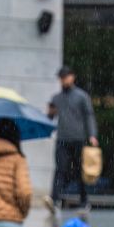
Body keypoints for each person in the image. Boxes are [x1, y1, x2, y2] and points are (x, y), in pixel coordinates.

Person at [45, 66, 98, 211]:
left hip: (78, 139)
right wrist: (50, 112)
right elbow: (50, 118)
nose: (64, 80)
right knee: (60, 169)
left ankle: (84, 200)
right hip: (62, 138)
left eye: (66, 77)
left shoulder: (81, 96)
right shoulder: (56, 98)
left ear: (72, 77)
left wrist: (92, 135)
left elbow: (89, 116)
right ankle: (54, 199)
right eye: (61, 78)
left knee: (82, 170)